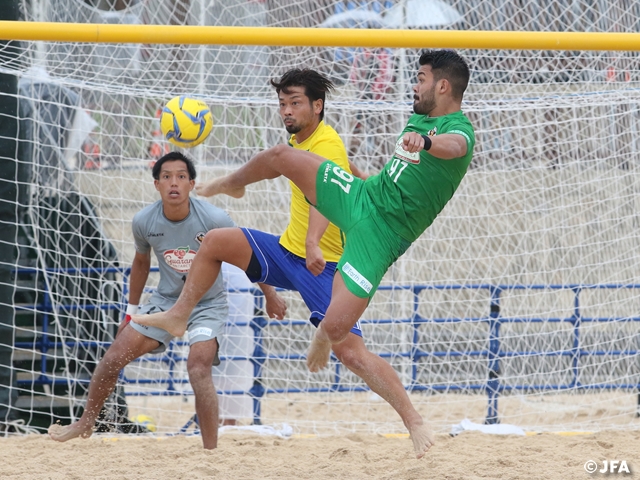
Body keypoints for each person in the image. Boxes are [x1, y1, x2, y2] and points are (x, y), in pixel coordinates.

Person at [134, 50, 475, 459]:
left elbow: (454, 147)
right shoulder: (417, 115)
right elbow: (400, 176)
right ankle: (230, 189)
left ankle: (412, 420)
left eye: (420, 78)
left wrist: (430, 141)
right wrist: (362, 176)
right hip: (364, 198)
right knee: (278, 159)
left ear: (442, 85)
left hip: (380, 237)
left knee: (341, 338)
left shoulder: (456, 130)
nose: (413, 85)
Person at [48, 151, 285, 449]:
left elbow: (248, 257)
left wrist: (270, 294)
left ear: (192, 184)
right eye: (167, 177)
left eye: (181, 177)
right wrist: (130, 313)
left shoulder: (214, 218)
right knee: (112, 358)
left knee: (198, 369)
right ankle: (85, 424)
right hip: (165, 303)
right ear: (156, 184)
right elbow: (141, 265)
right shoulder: (144, 221)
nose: (174, 183)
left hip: (207, 305)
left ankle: (210, 452)